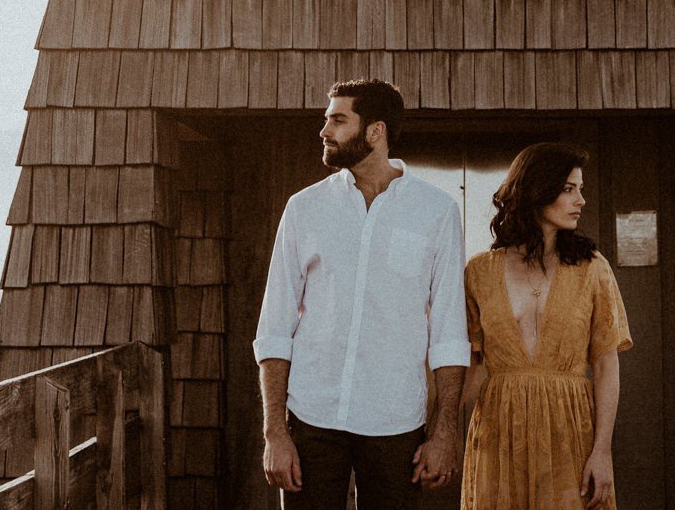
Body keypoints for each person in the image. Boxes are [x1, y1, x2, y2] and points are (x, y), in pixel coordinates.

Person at [254, 78, 470, 510]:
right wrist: (275, 432)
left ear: (376, 131)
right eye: (326, 119)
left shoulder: (436, 211)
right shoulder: (304, 208)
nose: (324, 131)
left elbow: (449, 332)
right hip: (312, 418)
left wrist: (444, 430)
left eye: (337, 119)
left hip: (396, 420)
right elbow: (276, 326)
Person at [460, 142, 632, 510]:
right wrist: (445, 434)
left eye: (580, 189)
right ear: (535, 191)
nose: (580, 200)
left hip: (569, 427)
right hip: (498, 430)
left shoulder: (592, 268)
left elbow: (605, 364)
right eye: (569, 189)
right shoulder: (479, 272)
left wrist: (602, 452)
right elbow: (476, 364)